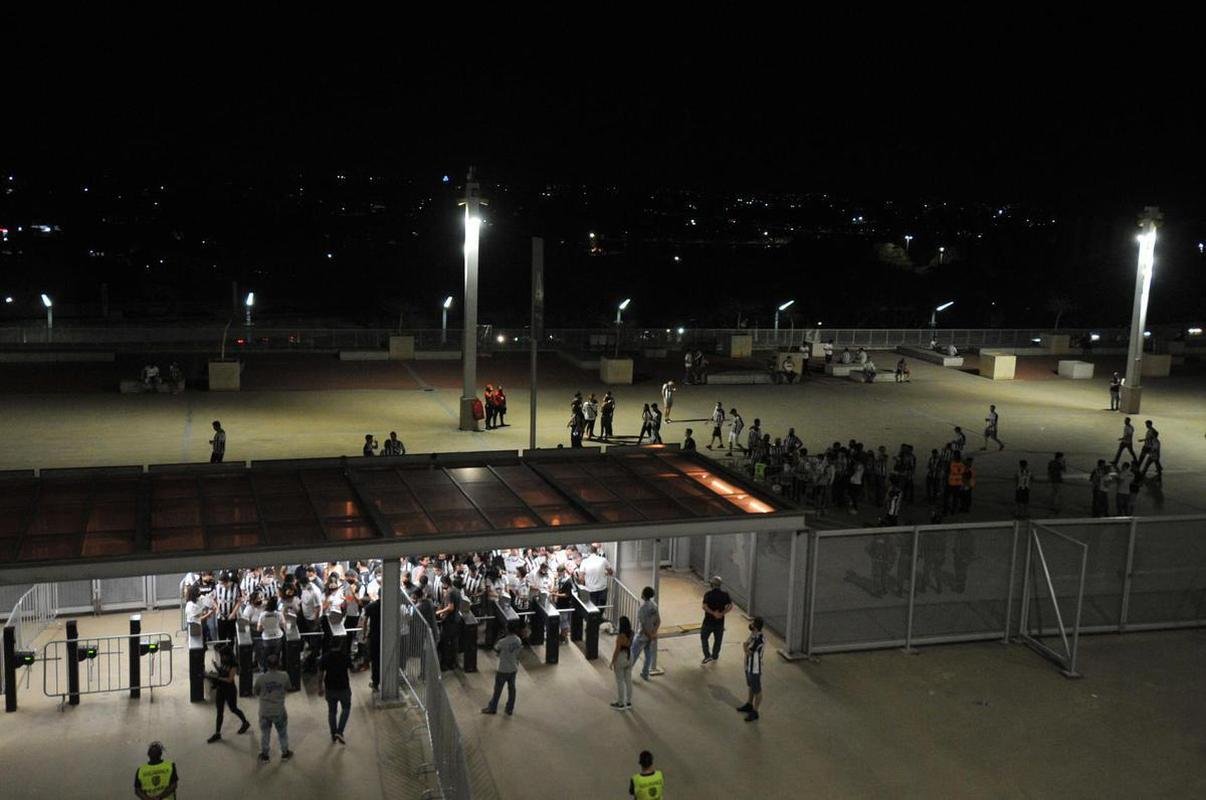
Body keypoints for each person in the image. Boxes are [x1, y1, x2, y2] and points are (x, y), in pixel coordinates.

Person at [253, 653, 292, 762]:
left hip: (264, 712)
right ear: (278, 664)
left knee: (265, 734)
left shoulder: (261, 678)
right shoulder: (285, 675)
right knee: (282, 733)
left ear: (267, 665)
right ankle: (285, 753)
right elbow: (288, 688)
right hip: (279, 711)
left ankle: (265, 755)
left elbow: (255, 692)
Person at [206, 645, 250, 743]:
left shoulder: (233, 665)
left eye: (223, 656)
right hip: (221, 689)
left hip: (230, 690)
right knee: (219, 711)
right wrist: (216, 667)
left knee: (233, 708)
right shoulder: (224, 661)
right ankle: (217, 733)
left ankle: (245, 722)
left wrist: (217, 678)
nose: (221, 657)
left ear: (228, 655)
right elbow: (222, 671)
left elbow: (230, 679)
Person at [482, 619, 522, 716]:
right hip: (513, 668)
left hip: (503, 669)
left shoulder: (502, 641)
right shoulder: (518, 640)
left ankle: (492, 708)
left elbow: (496, 649)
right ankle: (509, 709)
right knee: (512, 689)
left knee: (498, 690)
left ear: (507, 629)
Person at [318, 640, 352, 744]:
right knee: (346, 708)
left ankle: (333, 734)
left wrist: (320, 687)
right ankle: (340, 731)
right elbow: (352, 668)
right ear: (340, 645)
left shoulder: (325, 657)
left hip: (330, 688)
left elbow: (320, 674)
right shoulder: (345, 656)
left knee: (332, 711)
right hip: (344, 687)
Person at [736, 616, 765, 722]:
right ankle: (749, 704)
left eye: (752, 623)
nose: (750, 625)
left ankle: (755, 711)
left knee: (757, 689)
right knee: (751, 685)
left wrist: (745, 647)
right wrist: (745, 647)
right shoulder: (753, 635)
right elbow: (746, 645)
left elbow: (748, 650)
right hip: (748, 665)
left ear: (755, 626)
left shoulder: (759, 639)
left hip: (755, 668)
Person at [630, 586, 661, 681]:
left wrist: (649, 635)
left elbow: (643, 626)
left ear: (643, 595)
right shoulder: (654, 606)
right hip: (650, 636)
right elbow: (658, 621)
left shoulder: (642, 609)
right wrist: (653, 633)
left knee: (633, 655)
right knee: (648, 656)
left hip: (641, 637)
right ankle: (645, 674)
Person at [700, 576, 732, 664]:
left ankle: (707, 656)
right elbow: (730, 606)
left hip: (708, 621)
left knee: (704, 638)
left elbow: (704, 606)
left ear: (712, 585)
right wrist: (722, 613)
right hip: (720, 622)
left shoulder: (708, 594)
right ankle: (715, 655)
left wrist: (713, 613)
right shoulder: (725, 595)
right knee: (718, 640)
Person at [610, 615, 634, 710]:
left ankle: (620, 703)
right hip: (629, 656)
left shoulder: (620, 636)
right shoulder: (631, 633)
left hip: (621, 658)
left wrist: (612, 661)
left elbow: (617, 650)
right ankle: (628, 702)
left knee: (620, 681)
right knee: (628, 680)